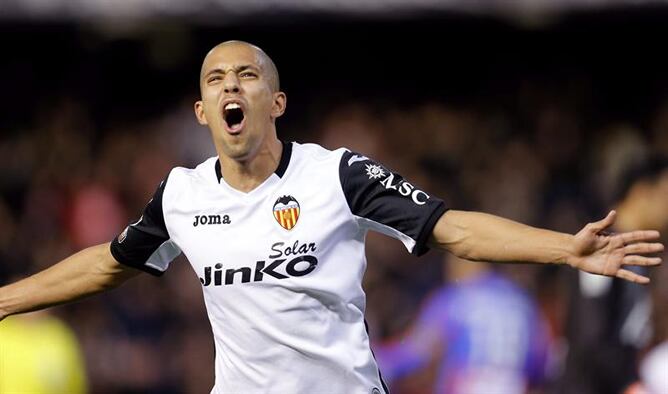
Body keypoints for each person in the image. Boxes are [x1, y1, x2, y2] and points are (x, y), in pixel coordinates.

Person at [0, 40, 663, 394]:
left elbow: (450, 226)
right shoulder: (180, 195)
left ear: (276, 100)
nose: (231, 85)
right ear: (202, 112)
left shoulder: (337, 175)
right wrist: (7, 300)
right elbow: (108, 262)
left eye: (246, 75)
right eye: (215, 78)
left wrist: (564, 250)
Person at [374, 256, 551, 394]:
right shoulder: (522, 301)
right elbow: (542, 359)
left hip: (466, 385)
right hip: (514, 386)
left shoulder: (457, 296)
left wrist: (374, 356)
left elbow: (416, 352)